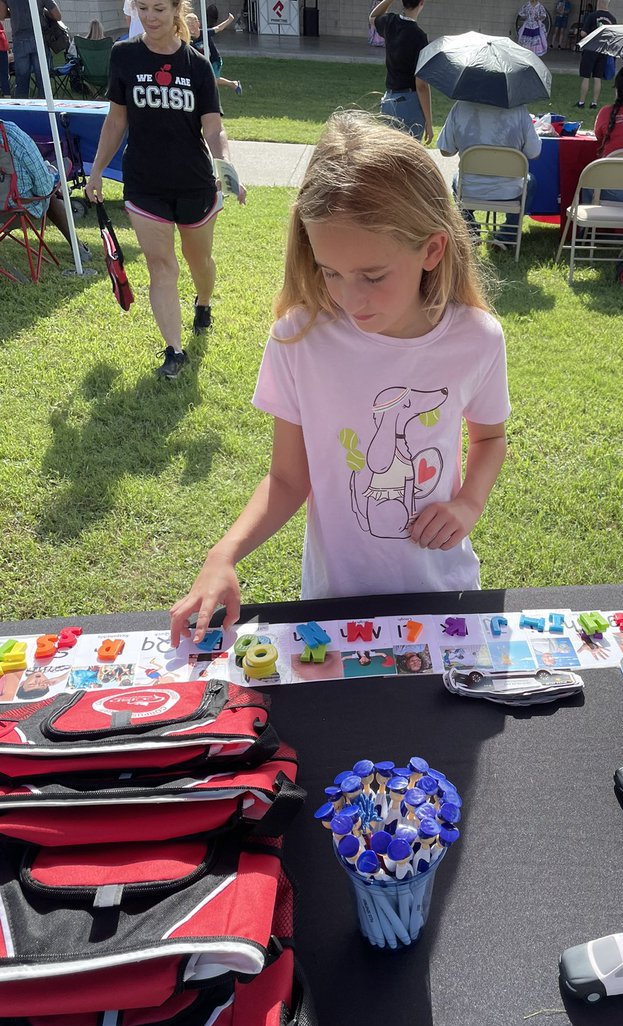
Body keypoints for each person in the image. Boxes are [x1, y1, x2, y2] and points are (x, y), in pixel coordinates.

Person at [169, 110, 510, 646]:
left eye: (372, 276)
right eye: (330, 272)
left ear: (432, 249)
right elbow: (287, 479)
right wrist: (223, 554)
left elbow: (489, 438)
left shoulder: (477, 339)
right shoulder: (298, 338)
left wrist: (468, 503)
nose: (350, 299)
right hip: (332, 605)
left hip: (443, 597)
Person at [85, 0, 246, 381]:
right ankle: (174, 350)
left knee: (198, 262)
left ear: (176, 9)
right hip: (144, 184)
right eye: (143, 8)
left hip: (193, 183)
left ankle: (203, 301)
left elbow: (213, 128)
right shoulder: (124, 56)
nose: (150, 17)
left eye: (159, 8)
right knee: (161, 266)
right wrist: (96, 172)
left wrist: (226, 168)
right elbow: (115, 121)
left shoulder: (198, 66)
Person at [437, 98, 541, 250]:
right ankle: (507, 236)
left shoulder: (460, 107)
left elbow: (445, 151)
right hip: (509, 189)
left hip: (470, 188)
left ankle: (469, 230)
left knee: (456, 179)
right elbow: (534, 153)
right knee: (530, 182)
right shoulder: (519, 110)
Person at [2, 119, 91, 263]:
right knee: (48, 189)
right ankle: (77, 246)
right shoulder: (9, 133)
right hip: (12, 212)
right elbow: (44, 189)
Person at [369, 0, 431, 143]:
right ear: (422, 3)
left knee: (390, 157)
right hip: (410, 103)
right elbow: (421, 85)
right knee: (409, 159)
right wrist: (428, 120)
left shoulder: (390, 22)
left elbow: (372, 17)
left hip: (389, 101)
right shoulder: (419, 36)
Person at [0, 0, 62, 98]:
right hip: (40, 38)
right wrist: (42, 12)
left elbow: (1, 14)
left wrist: (15, 13)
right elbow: (57, 16)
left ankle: (22, 110)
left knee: (21, 80)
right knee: (43, 80)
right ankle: (46, 109)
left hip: (19, 39)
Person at [187, 8, 241, 94]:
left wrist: (229, 20)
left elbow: (219, 28)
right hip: (204, 62)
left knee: (213, 80)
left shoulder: (204, 33)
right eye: (189, 26)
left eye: (192, 25)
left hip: (214, 60)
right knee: (205, 80)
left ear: (198, 24)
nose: (191, 28)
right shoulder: (189, 40)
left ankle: (233, 84)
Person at [575, 5, 610, 110]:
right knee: (597, 77)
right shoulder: (612, 19)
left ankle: (581, 102)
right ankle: (594, 103)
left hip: (590, 49)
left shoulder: (592, 16)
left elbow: (583, 33)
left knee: (586, 76)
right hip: (603, 50)